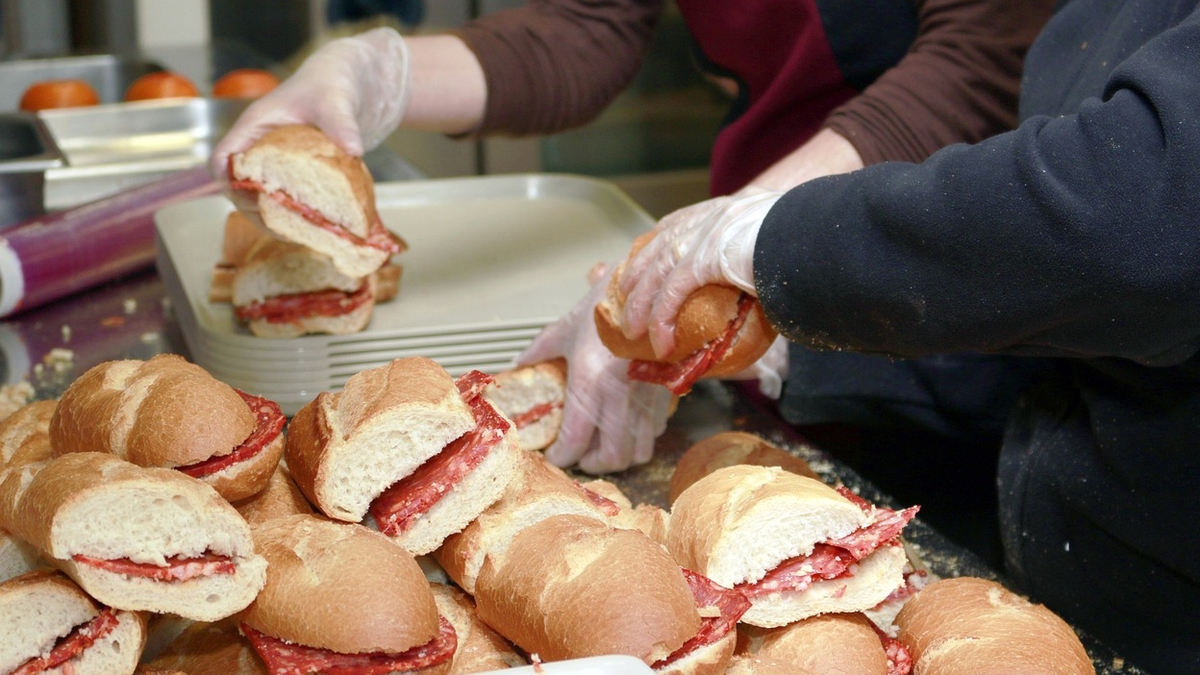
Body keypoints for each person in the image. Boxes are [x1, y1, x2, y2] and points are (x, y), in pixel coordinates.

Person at [602, 1, 1200, 673]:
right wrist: (787, 347)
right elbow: (1052, 287)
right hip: (1076, 542)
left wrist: (779, 241)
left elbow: (1141, 213)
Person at [213, 0, 1053, 473]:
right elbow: (588, 24)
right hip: (756, 266)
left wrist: (734, 235)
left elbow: (984, 57)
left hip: (953, 271)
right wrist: (377, 74)